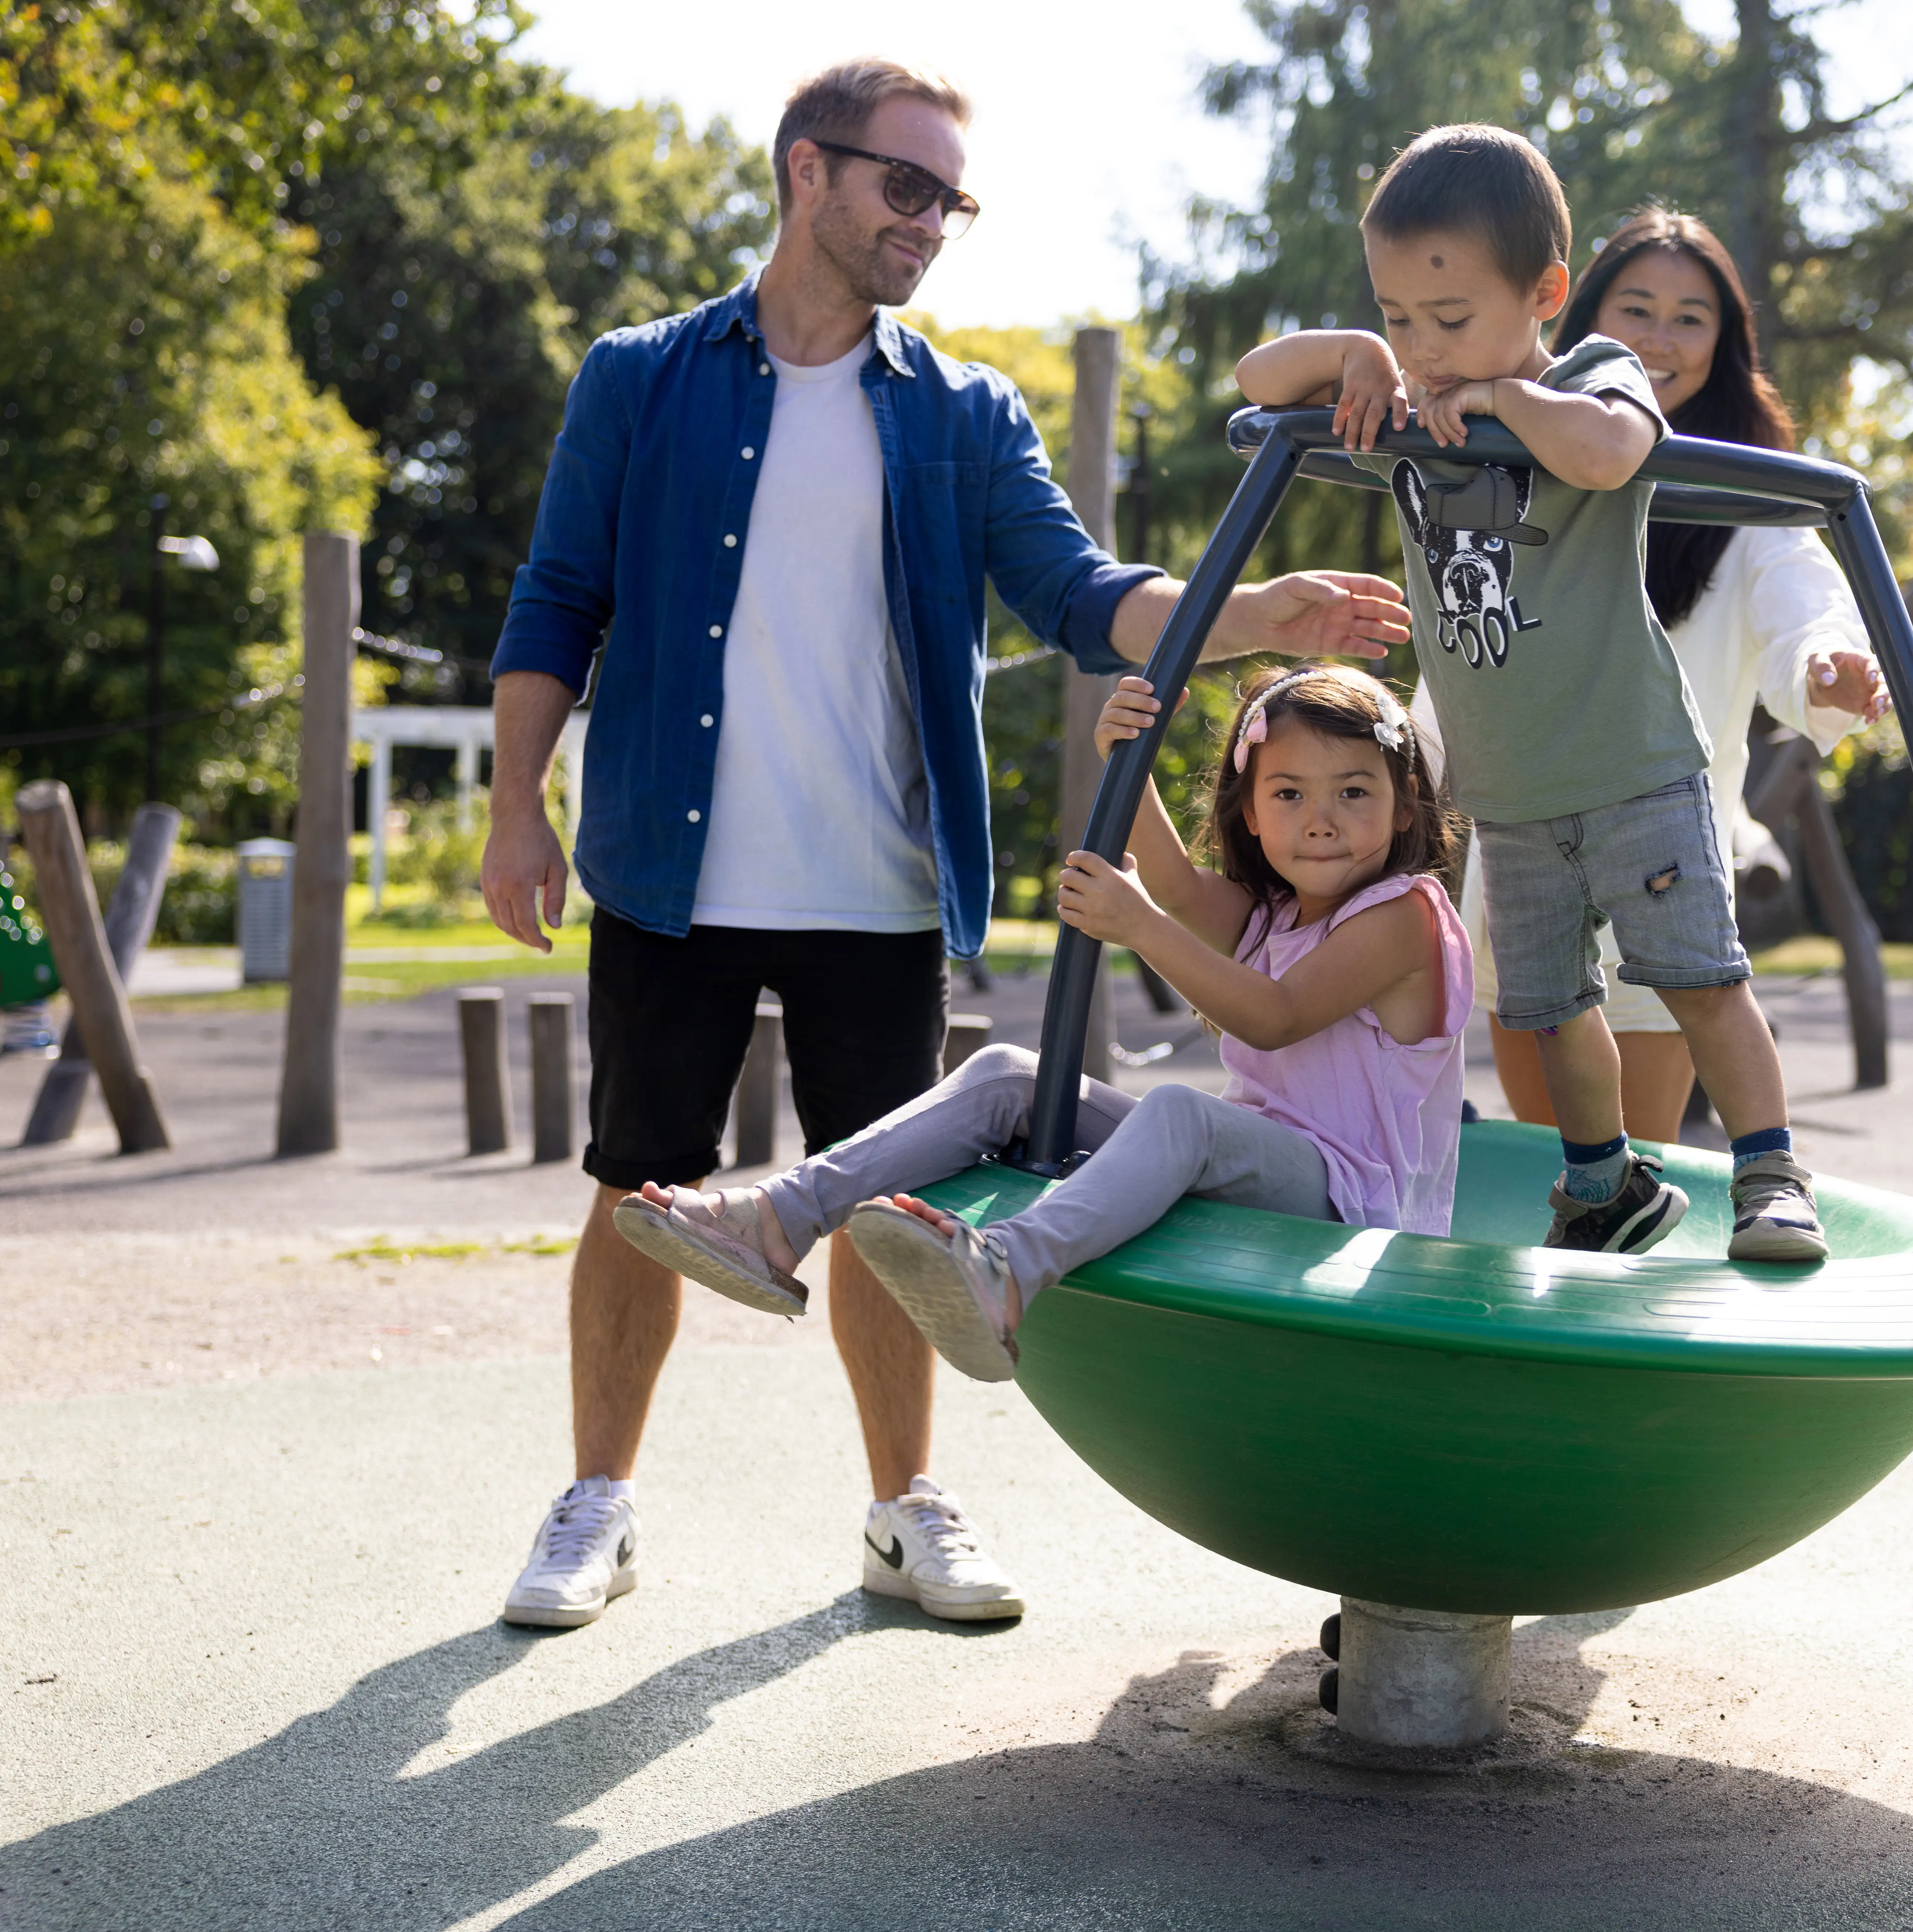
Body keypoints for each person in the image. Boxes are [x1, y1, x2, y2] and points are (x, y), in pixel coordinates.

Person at [479, 59, 1411, 1632]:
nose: (928, 223)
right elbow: (555, 597)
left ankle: (901, 1510)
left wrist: (1239, 617)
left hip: (880, 887)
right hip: (666, 867)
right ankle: (596, 1504)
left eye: (950, 202)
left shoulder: (966, 412)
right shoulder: (638, 377)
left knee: (886, 1215)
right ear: (804, 173)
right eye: (903, 187)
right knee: (639, 1181)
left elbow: (1073, 589)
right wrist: (517, 805)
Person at [1234, 125, 1837, 1263]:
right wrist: (1356, 356)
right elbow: (1257, 386)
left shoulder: (1588, 375)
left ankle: (1769, 1173)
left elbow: (1610, 455)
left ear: (1548, 294)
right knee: (1546, 1007)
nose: (1426, 346)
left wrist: (1507, 393)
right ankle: (1604, 1183)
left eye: (1448, 320)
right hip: (1510, 796)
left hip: (1634, 769)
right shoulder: (1410, 418)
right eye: (1401, 315)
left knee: (1701, 979)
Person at [609, 664, 1469, 1382]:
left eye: (1354, 791)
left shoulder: (1405, 916)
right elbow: (1172, 883)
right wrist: (1125, 755)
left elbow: (1275, 1017)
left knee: (1180, 1111)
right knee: (1005, 1075)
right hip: (1266, 1162)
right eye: (1289, 792)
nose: (1321, 818)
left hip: (1354, 1200)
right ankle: (779, 1217)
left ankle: (1010, 1268)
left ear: (1403, 809)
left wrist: (1136, 927)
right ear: (1252, 813)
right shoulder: (1277, 910)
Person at [1414, 207, 1890, 1139]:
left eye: (1690, 317)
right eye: (1636, 309)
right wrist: (1403, 764)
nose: (1660, 340)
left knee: (1647, 1137)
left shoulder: (1738, 486)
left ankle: (1738, 1201)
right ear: (1580, 313)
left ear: (1724, 340)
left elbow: (1801, 593)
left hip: (1661, 849)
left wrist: (1825, 663)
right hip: (1530, 842)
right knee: (1555, 1143)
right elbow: (1471, 645)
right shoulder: (1511, 455)